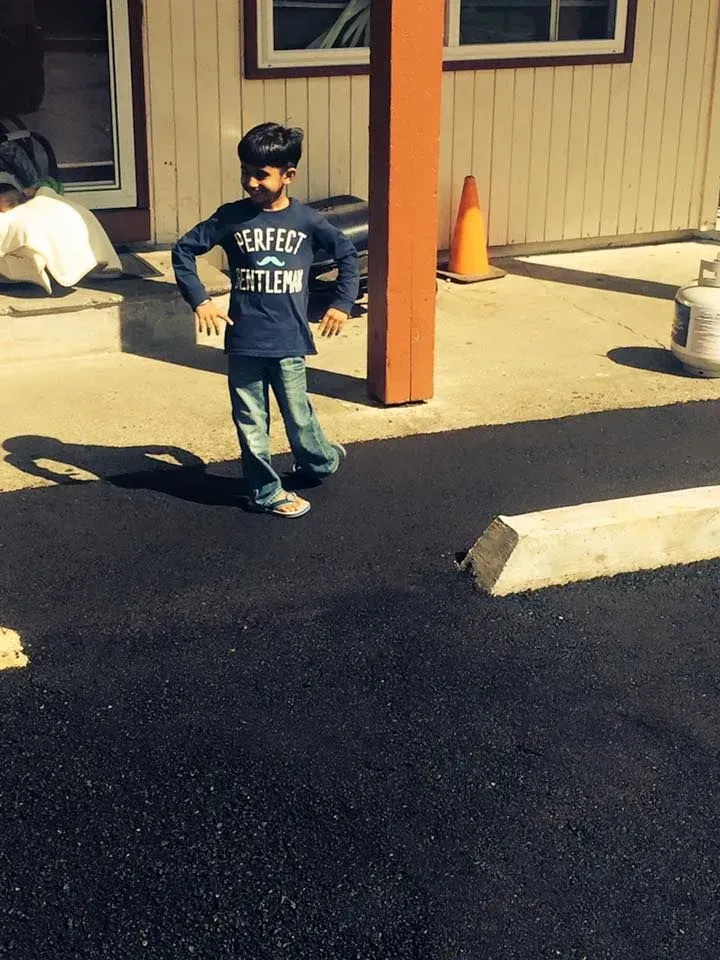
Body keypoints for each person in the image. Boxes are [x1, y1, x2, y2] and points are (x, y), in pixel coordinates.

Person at [172, 123, 359, 518]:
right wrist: (200, 300)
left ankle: (320, 459)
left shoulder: (307, 221)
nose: (250, 182)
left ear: (288, 175)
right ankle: (265, 491)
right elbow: (184, 251)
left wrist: (341, 303)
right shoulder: (231, 218)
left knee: (299, 416)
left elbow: (347, 254)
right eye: (245, 172)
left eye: (261, 174)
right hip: (244, 341)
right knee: (251, 420)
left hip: (289, 339)